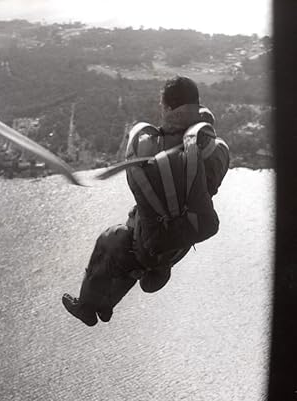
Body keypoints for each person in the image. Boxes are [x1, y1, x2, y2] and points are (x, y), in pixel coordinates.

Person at [62, 76, 229, 326]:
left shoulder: (153, 149)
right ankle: (106, 306)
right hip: (180, 244)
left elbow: (143, 188)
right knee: (132, 255)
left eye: (162, 106)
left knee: (111, 241)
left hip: (152, 242)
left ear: (168, 107)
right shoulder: (216, 151)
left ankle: (86, 307)